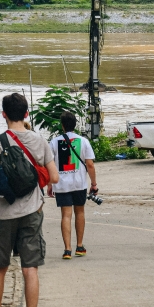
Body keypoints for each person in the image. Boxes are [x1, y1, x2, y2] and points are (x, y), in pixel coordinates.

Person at [0, 93, 59, 307]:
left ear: (3, 114)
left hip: (4, 214)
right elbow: (54, 177)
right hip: (32, 212)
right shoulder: (39, 141)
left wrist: (4, 190)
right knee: (30, 269)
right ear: (26, 114)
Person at [48, 111, 97, 260]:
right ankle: (80, 246)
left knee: (66, 215)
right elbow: (90, 164)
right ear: (75, 124)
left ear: (62, 125)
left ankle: (67, 249)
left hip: (61, 184)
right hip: (79, 183)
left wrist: (50, 184)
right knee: (80, 213)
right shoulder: (83, 141)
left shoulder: (54, 142)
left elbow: (49, 164)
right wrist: (93, 183)